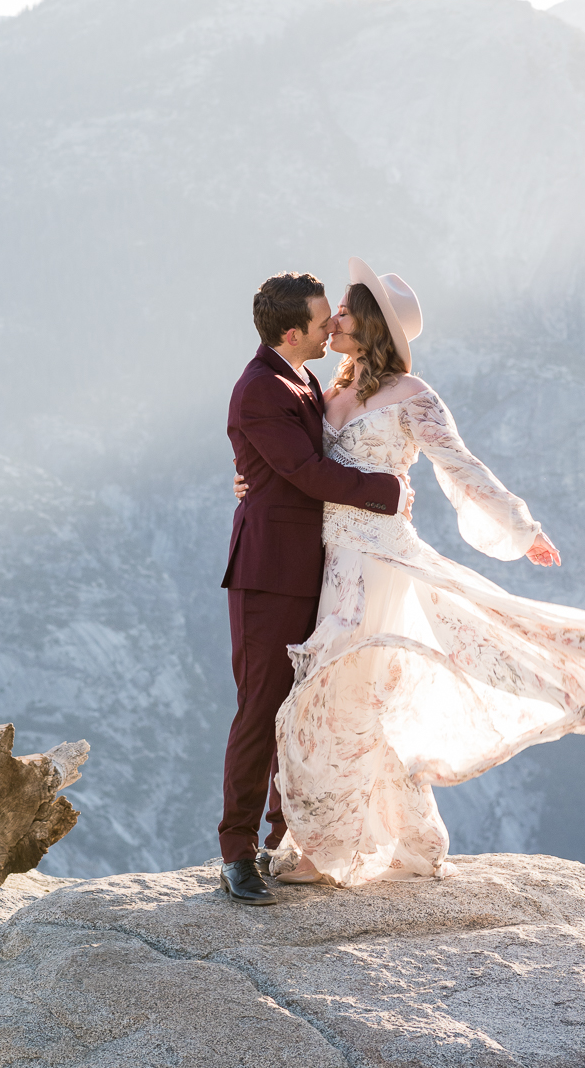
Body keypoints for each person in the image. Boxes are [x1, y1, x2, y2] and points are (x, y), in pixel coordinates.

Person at [235, 258, 585, 888]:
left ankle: (323, 850)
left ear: (368, 326)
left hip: (382, 563)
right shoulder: (325, 394)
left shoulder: (414, 398)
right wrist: (249, 483)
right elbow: (293, 463)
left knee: (339, 693)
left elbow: (460, 467)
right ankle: (380, 836)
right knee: (342, 699)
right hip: (334, 562)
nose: (331, 319)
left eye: (343, 310)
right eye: (328, 311)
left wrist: (522, 529)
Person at [216, 271, 414, 905]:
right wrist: (389, 494)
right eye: (324, 318)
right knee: (259, 712)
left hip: (321, 576)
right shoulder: (259, 389)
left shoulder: (303, 379)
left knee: (303, 716)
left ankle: (287, 839)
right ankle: (236, 852)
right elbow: (304, 470)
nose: (334, 326)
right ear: (291, 330)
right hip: (269, 577)